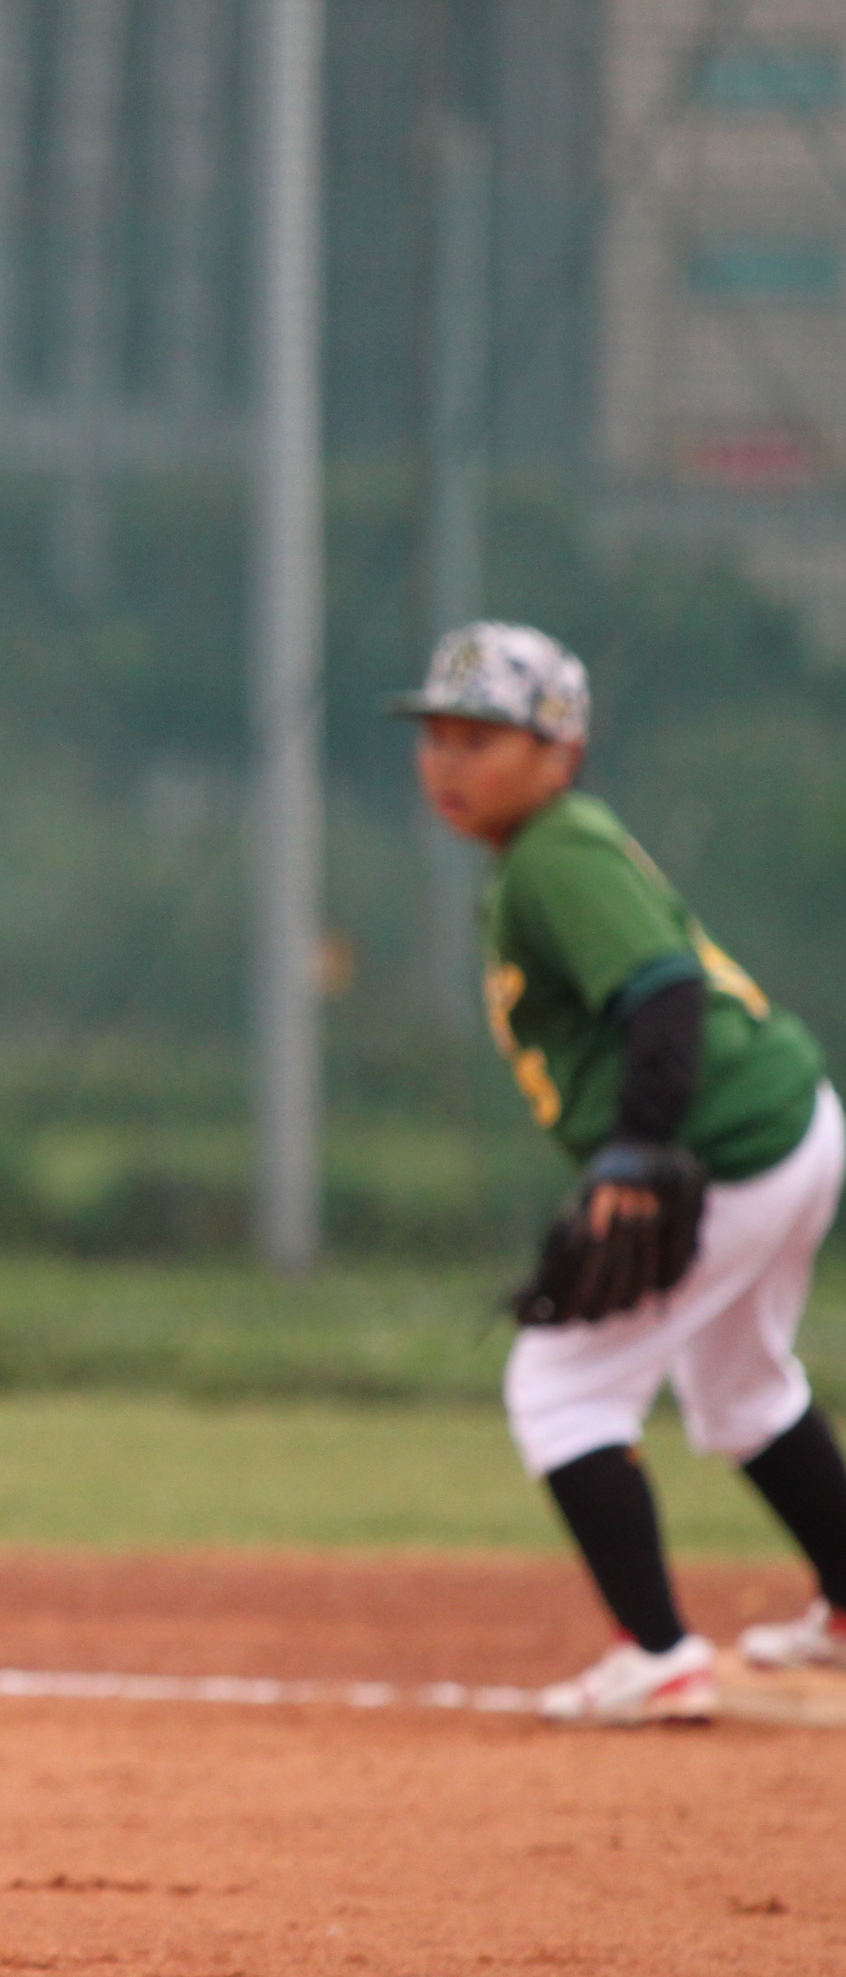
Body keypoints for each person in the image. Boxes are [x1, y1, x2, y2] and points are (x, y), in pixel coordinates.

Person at [401, 621, 846, 1726]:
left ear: (560, 751)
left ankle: (657, 1655)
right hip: (779, 1126)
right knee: (741, 1388)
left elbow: (664, 993)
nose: (449, 762)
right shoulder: (546, 851)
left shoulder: (555, 854)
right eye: (438, 736)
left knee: (559, 1388)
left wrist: (639, 1151)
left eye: (481, 739)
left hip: (727, 1148)